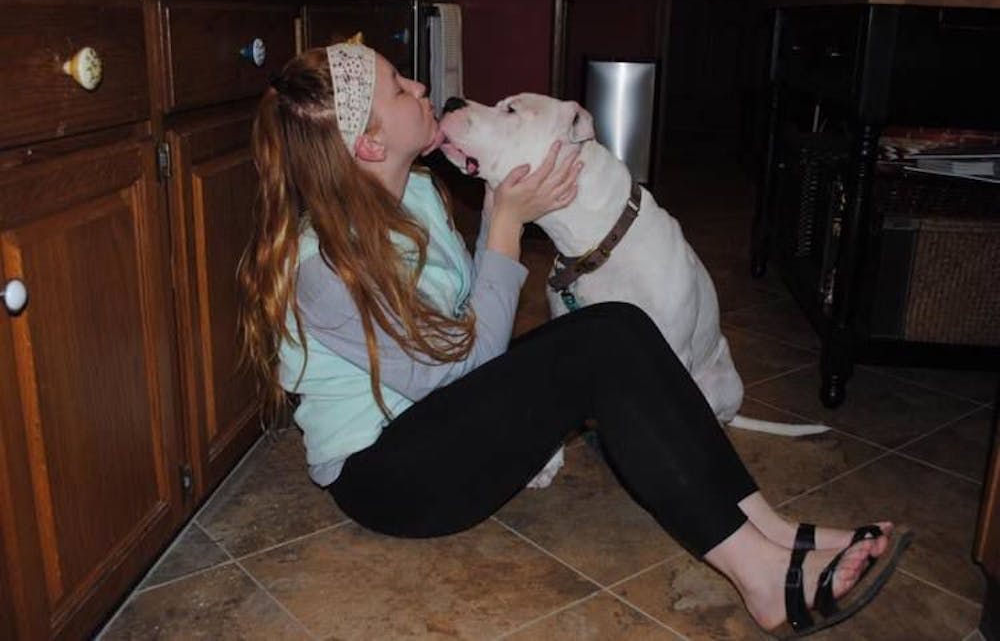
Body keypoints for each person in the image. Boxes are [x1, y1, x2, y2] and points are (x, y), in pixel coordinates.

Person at [238, 42, 911, 638]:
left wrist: (500, 227)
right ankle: (762, 576)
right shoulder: (325, 268)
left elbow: (467, 315)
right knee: (596, 346)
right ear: (370, 145)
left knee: (617, 324)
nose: (418, 86)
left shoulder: (414, 192)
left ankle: (775, 530)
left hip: (437, 420)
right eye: (398, 88)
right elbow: (458, 370)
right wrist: (505, 222)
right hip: (391, 476)